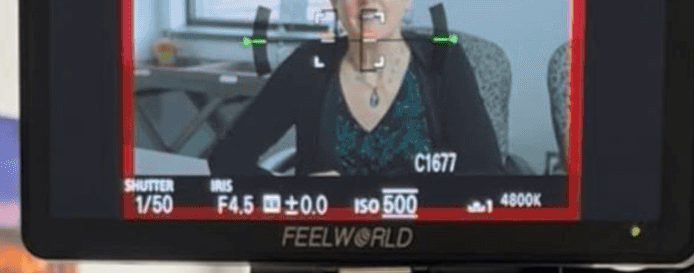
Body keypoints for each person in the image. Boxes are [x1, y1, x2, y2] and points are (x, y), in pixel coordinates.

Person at [207, 0, 504, 177]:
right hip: (326, 244)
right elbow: (227, 159)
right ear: (334, 4)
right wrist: (294, 196)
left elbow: (487, 174)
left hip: (424, 244)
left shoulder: (444, 62)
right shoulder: (307, 65)